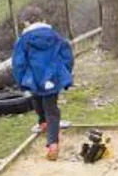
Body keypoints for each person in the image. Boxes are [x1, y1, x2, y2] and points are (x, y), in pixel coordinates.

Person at [11, 18, 74, 160]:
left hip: (34, 79)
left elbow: (18, 63)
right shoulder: (55, 36)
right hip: (53, 79)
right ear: (43, 20)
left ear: (26, 22)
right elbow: (67, 55)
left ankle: (43, 123)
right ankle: (53, 144)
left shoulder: (23, 40)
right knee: (51, 109)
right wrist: (64, 73)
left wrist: (21, 80)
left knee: (37, 100)